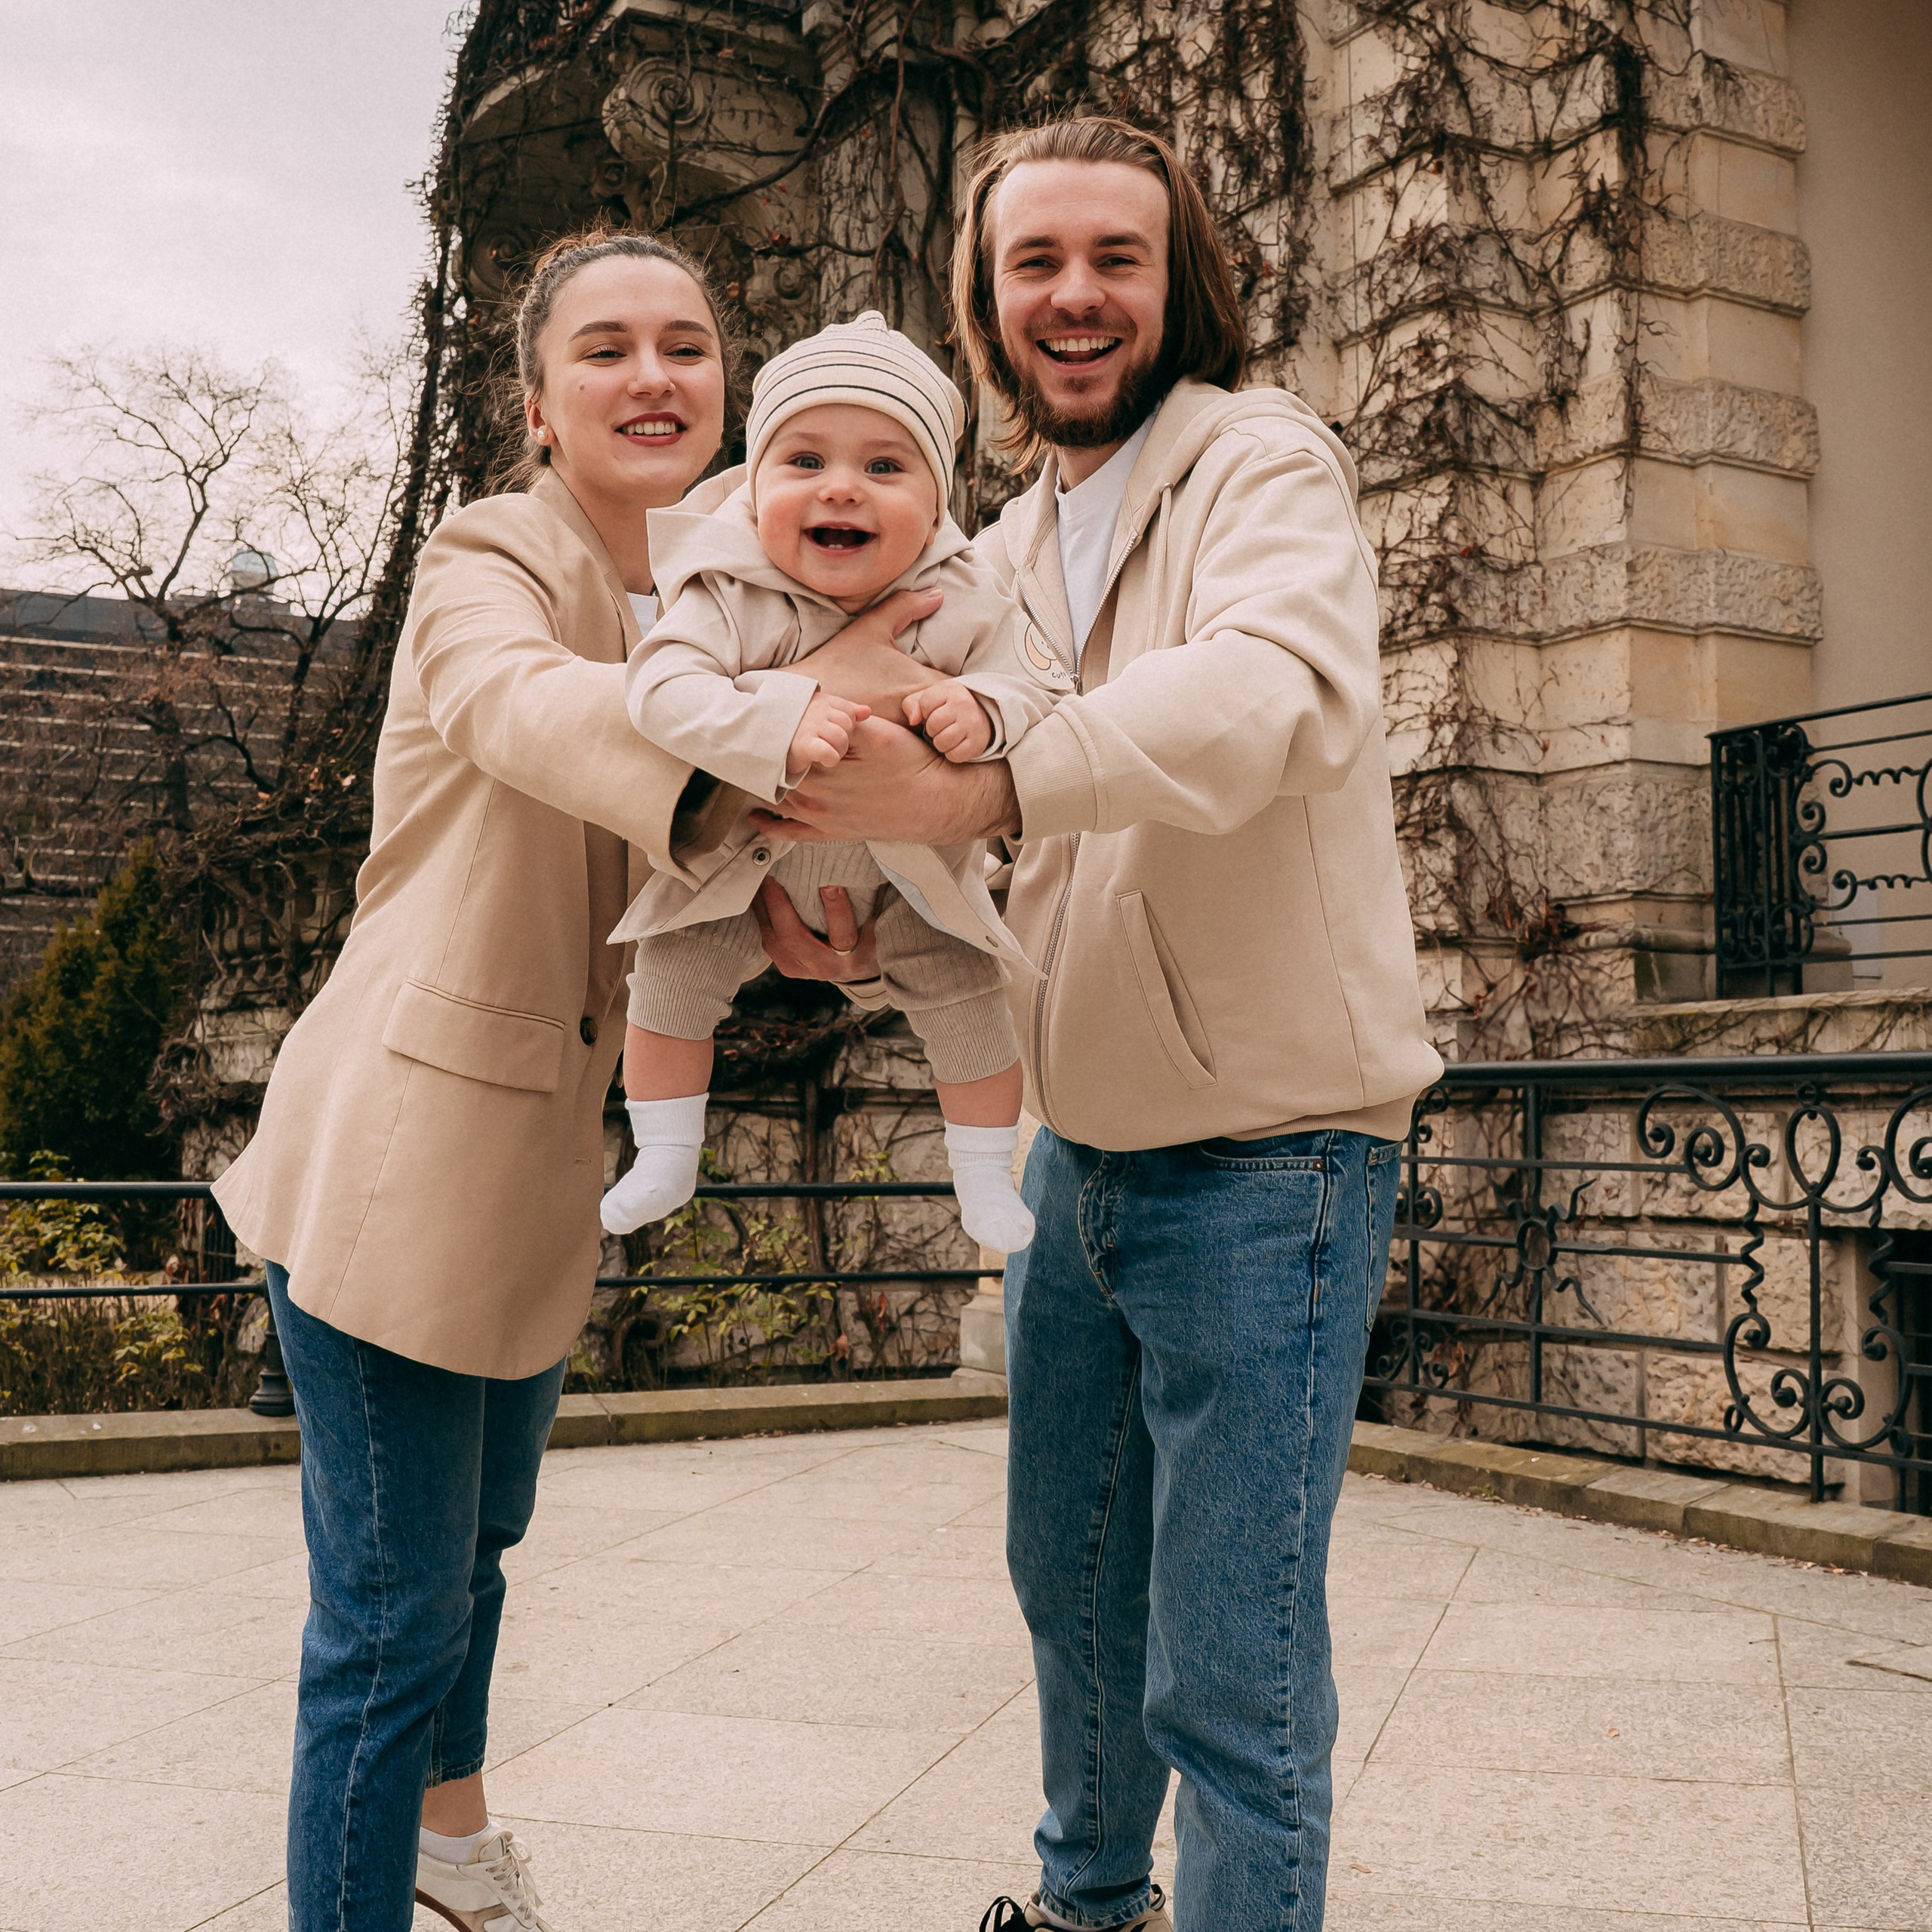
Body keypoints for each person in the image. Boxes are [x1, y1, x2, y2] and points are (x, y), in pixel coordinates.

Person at [750, 118, 1443, 1932]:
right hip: (1082, 1145)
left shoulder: (1254, 462)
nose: (1071, 296)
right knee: (1069, 1588)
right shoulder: (992, 540)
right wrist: (832, 894)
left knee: (1229, 1665)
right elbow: (936, 798)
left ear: (1175, 278)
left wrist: (1002, 774)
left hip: (1272, 1148)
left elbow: (1261, 697)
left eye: (1110, 258)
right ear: (982, 302)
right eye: (1031, 262)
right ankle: (1080, 1908)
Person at [208, 232, 937, 1932]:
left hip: (529, 1165)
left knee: (469, 1565)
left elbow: (651, 865)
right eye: (606, 349)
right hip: (396, 1153)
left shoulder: (709, 599)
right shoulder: (491, 558)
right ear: (538, 404)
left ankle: (449, 1859)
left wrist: (776, 908)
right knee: (385, 1626)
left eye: (686, 345)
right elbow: (522, 708)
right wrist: (771, 726)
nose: (654, 376)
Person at [598, 310, 1064, 1253]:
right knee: (672, 979)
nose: (841, 488)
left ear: (936, 506)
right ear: (755, 486)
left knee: (970, 994)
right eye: (804, 462)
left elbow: (1041, 691)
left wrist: (985, 710)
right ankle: (663, 1151)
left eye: (885, 468)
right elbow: (658, 690)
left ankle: (981, 1176)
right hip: (743, 869)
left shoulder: (965, 595)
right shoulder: (727, 591)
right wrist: (778, 713)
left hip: (911, 879)